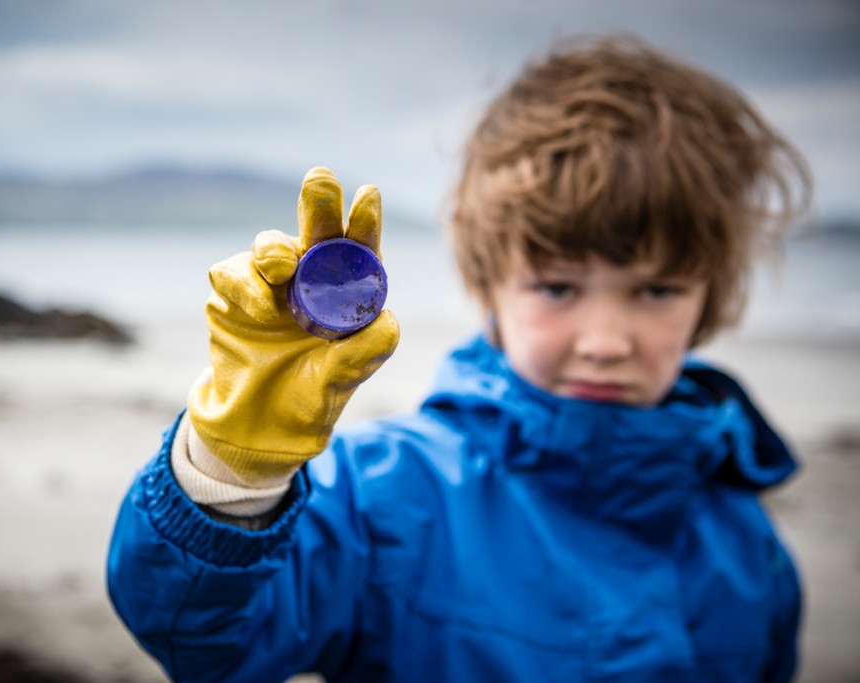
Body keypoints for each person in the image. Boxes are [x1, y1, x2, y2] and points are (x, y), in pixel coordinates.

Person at [107, 34, 811, 682]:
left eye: (657, 289)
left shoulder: (749, 543)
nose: (605, 339)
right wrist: (231, 473)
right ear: (489, 283)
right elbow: (202, 638)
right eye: (557, 286)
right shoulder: (381, 497)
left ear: (709, 295)